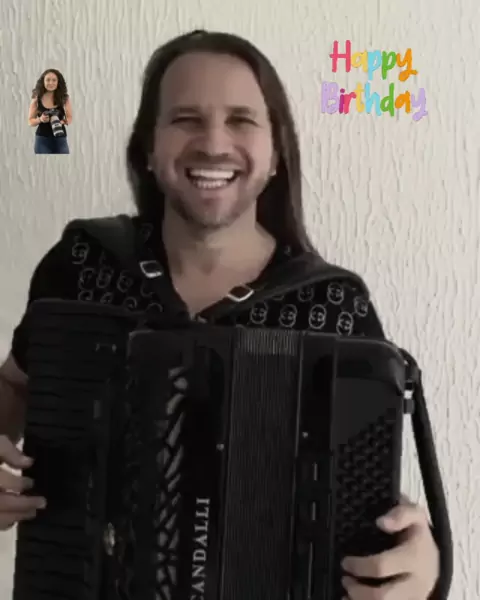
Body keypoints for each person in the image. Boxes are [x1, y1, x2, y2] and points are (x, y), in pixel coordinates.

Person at [2, 30, 440, 599]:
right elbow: (16, 383)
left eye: (241, 120)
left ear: (276, 154)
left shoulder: (334, 309)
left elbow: (368, 509)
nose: (213, 143)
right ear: (148, 150)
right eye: (185, 119)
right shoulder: (82, 264)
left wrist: (420, 563)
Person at [28, 69, 72, 154]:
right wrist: (40, 119)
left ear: (58, 82)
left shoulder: (64, 98)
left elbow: (70, 117)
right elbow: (30, 121)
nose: (51, 83)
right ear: (43, 81)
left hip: (60, 139)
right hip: (42, 139)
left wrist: (61, 122)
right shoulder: (36, 98)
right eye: (48, 80)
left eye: (54, 80)